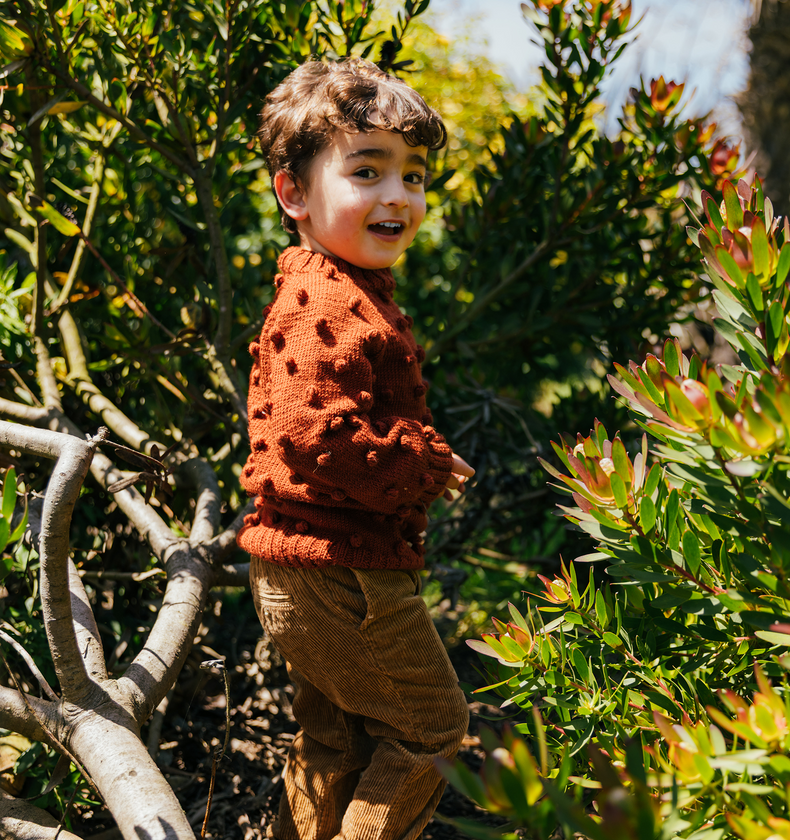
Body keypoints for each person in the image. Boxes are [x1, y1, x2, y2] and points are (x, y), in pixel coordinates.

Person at [237, 57, 475, 840]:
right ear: (294, 193)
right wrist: (426, 464)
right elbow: (317, 437)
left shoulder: (336, 288)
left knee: (335, 738)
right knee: (431, 731)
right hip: (343, 572)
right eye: (367, 170)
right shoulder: (330, 299)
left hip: (304, 567)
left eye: (414, 175)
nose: (399, 195)